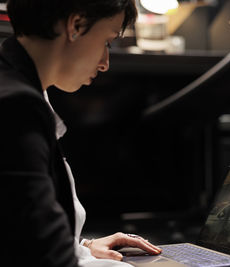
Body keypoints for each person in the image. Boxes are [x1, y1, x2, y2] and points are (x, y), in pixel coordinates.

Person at [1, 1, 161, 266]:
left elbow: (19, 231)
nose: (105, 64)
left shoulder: (22, 87)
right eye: (107, 42)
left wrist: (80, 246)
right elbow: (39, 256)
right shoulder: (15, 106)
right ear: (76, 25)